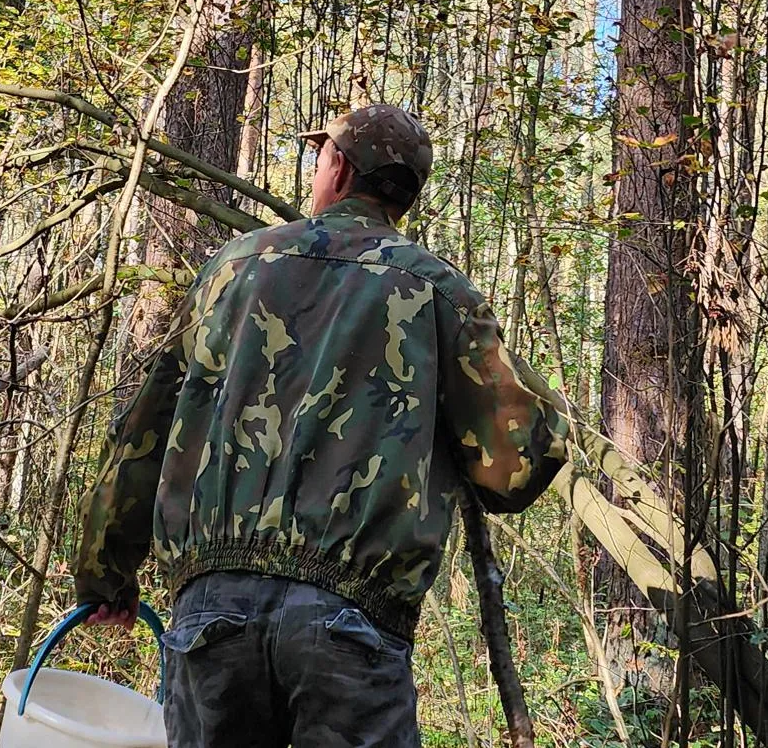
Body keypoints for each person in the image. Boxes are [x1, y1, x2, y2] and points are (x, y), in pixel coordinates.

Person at [71, 103, 569, 748]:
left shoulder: (233, 269)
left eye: (322, 155)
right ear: (406, 197)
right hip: (350, 622)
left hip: (212, 610)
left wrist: (106, 569)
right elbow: (513, 475)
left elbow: (146, 430)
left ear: (337, 168)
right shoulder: (440, 293)